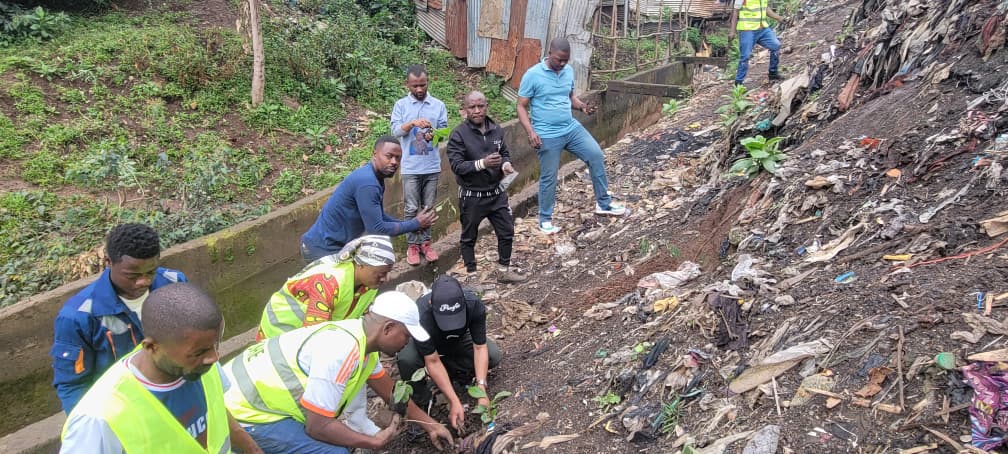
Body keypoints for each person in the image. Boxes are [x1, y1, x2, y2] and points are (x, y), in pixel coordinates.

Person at [224, 291, 453, 453]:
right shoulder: (341, 351)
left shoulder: (361, 342)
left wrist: (431, 425)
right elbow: (317, 427)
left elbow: (390, 392)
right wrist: (373, 442)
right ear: (388, 328)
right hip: (244, 412)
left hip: (254, 402)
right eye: (406, 335)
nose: (407, 342)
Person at [60, 283, 262, 454]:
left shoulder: (202, 365)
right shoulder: (99, 419)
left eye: (215, 345)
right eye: (199, 352)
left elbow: (217, 412)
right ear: (151, 347)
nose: (214, 357)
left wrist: (253, 450)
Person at [50, 223, 187, 413]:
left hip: (177, 395)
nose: (144, 281)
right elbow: (73, 386)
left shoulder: (175, 284)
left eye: (151, 272)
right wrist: (93, 424)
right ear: (108, 261)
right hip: (122, 410)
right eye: (132, 275)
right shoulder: (78, 317)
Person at [517, 37, 627, 235]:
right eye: (558, 59)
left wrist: (582, 107)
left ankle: (604, 204)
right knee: (549, 176)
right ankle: (545, 219)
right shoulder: (532, 75)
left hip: (570, 128)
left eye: (565, 60)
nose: (562, 63)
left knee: (596, 155)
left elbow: (569, 97)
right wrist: (531, 131)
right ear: (549, 53)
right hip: (547, 133)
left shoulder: (568, 71)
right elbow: (521, 106)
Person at [301, 136, 438, 262]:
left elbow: (380, 217)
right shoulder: (368, 183)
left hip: (332, 247)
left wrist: (411, 225)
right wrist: (414, 224)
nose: (394, 162)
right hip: (322, 250)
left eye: (398, 158)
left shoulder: (375, 178)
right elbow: (377, 229)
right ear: (375, 154)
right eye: (389, 156)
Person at [396, 275, 501, 431]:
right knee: (407, 358)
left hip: (458, 340)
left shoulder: (473, 304)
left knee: (493, 355)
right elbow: (432, 360)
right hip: (430, 342)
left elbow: (480, 347)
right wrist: (453, 401)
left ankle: (453, 371)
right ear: (431, 303)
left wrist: (481, 389)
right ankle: (421, 401)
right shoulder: (421, 314)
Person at [446, 91, 527, 285]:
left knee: (506, 231)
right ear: (465, 110)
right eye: (472, 107)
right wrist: (483, 163)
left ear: (486, 106)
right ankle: (472, 275)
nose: (477, 111)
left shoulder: (496, 129)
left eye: (480, 106)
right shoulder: (459, 134)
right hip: (472, 196)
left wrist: (505, 165)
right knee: (469, 236)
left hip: (496, 193)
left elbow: (504, 152)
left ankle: (503, 271)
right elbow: (457, 166)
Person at [257, 235, 395, 340]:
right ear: (361, 264)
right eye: (381, 273)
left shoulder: (370, 286)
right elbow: (314, 336)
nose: (385, 278)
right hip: (281, 329)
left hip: (309, 332)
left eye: (388, 272)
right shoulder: (329, 281)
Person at [391, 64, 449, 266]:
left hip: (431, 166)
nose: (419, 89)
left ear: (428, 82)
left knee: (428, 207)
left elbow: (444, 132)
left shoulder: (438, 105)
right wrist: (412, 124)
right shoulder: (401, 105)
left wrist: (435, 134)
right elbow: (396, 131)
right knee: (411, 208)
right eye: (414, 85)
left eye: (422, 85)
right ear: (407, 84)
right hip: (410, 167)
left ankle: (425, 243)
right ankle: (412, 246)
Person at [728, 0, 785, 86]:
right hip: (747, 29)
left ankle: (773, 73)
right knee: (745, 56)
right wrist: (732, 31)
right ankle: (738, 82)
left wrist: (778, 18)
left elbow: (765, 9)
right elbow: (735, 11)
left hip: (762, 29)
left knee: (776, 45)